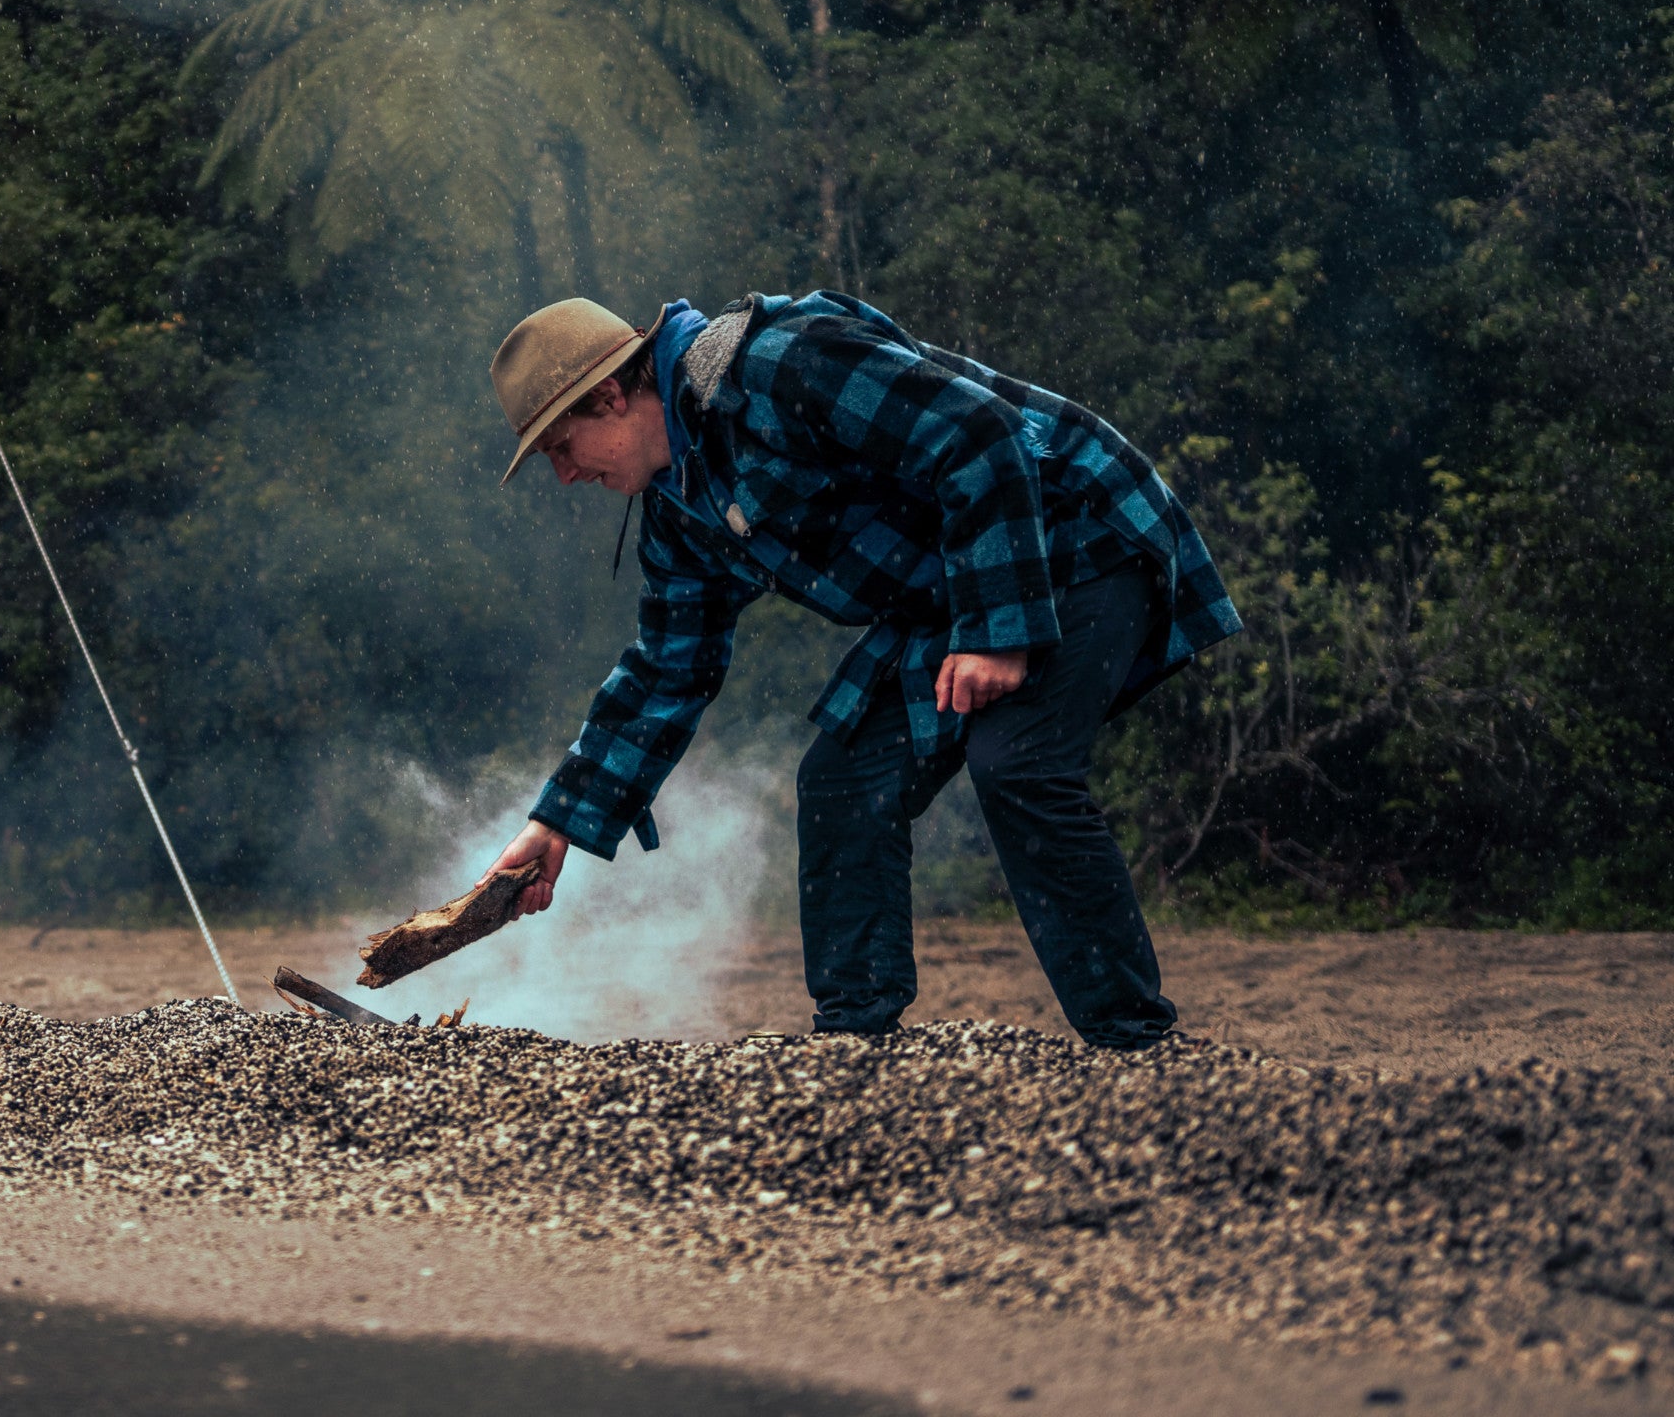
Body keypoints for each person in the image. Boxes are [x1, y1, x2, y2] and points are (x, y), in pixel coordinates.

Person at [483, 293, 1240, 1048]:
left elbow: (979, 435)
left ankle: (1136, 1045)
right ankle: (851, 1049)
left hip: (1074, 533)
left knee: (1018, 762)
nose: (565, 476)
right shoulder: (680, 509)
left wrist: (997, 629)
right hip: (951, 597)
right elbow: (665, 671)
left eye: (560, 446)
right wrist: (556, 823)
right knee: (843, 783)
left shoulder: (783, 363)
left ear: (610, 396)